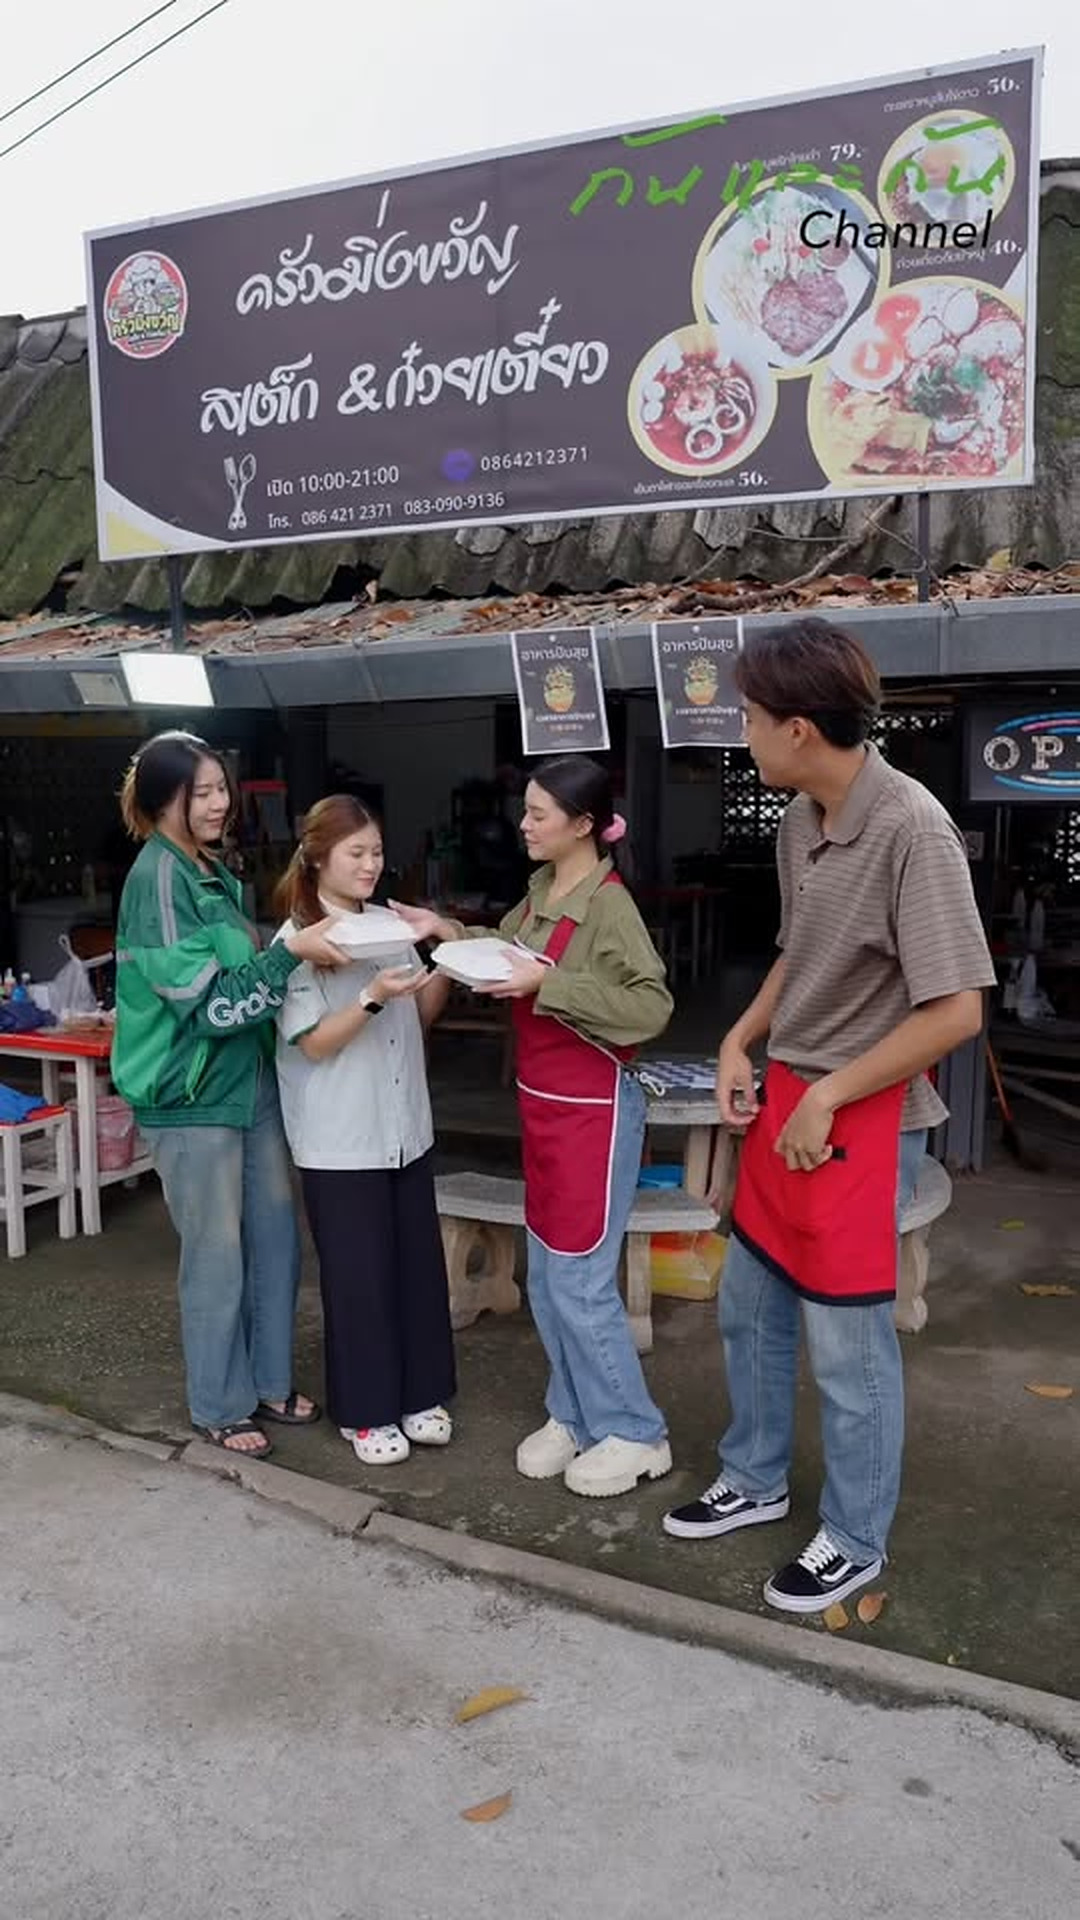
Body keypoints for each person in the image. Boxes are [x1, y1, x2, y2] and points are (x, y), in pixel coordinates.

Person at [663, 619, 995, 1611]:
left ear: (799, 728)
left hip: (863, 1114)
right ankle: (756, 1478)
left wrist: (831, 1095)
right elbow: (798, 954)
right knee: (748, 1306)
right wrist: (739, 1040)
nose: (744, 732)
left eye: (750, 717)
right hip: (791, 1101)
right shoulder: (798, 822)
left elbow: (957, 1011)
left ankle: (855, 1536)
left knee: (849, 1347)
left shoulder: (912, 828)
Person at [392, 757, 674, 1500]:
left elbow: (650, 1007)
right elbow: (504, 945)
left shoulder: (610, 907)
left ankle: (636, 1431)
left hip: (594, 1113)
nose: (523, 824)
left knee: (580, 1280)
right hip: (546, 1109)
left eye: (538, 813)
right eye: (527, 810)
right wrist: (446, 930)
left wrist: (550, 982)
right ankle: (575, 1413)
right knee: (548, 1278)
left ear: (583, 825)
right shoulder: (544, 890)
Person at [111, 731, 348, 1458]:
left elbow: (244, 970)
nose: (220, 804)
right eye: (203, 793)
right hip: (190, 1096)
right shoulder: (158, 880)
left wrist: (293, 948)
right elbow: (210, 1006)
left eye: (222, 789)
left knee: (276, 1239)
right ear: (164, 802)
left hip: (248, 1085)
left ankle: (269, 1382)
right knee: (215, 1255)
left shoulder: (210, 869)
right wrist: (290, 952)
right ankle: (219, 1403)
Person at [274, 795, 457, 1467]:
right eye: (356, 853)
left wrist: (444, 961)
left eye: (376, 851)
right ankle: (366, 1411)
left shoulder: (389, 923)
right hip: (339, 1136)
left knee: (416, 1269)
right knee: (359, 1280)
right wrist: (373, 996)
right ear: (318, 857)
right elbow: (314, 1042)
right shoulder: (297, 938)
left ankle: (420, 1394)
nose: (370, 864)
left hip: (405, 1125)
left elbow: (420, 1015)